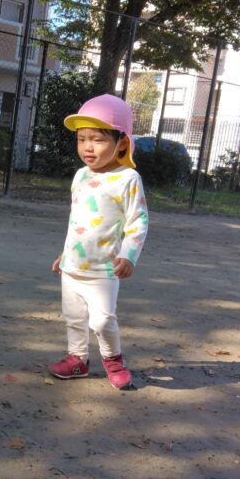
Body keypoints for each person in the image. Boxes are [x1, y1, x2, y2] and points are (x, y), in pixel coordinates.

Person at [49, 94, 148, 390]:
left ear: (122, 143)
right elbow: (78, 221)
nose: (87, 147)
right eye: (82, 139)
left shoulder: (127, 178)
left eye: (98, 139)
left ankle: (113, 359)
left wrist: (129, 255)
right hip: (73, 266)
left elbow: (138, 220)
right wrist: (65, 254)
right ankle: (77, 359)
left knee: (103, 320)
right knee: (74, 318)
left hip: (104, 269)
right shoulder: (80, 176)